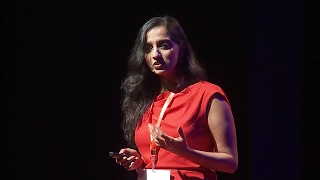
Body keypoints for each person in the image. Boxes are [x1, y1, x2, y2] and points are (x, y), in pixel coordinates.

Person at [112, 15, 238, 180]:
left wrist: (186, 152)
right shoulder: (145, 100)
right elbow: (156, 162)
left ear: (182, 49)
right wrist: (139, 162)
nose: (155, 54)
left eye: (164, 45)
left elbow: (230, 163)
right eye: (148, 48)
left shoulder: (207, 94)